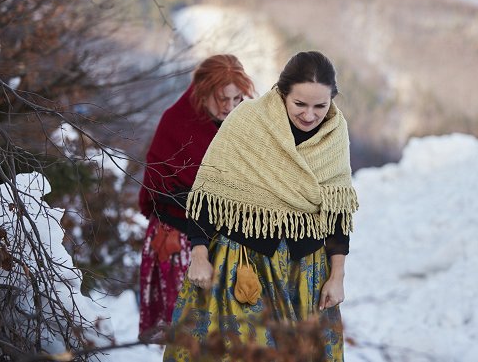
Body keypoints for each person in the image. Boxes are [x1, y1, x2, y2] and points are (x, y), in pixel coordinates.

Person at [163, 51, 359, 361]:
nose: (309, 115)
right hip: (242, 263)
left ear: (332, 100)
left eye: (320, 106)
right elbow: (209, 194)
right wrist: (199, 253)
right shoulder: (248, 121)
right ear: (283, 94)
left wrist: (337, 277)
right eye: (300, 104)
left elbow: (336, 213)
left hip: (303, 273)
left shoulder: (334, 134)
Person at [138, 54, 256, 340]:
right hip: (178, 236)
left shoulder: (243, 125)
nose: (229, 108)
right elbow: (157, 188)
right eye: (221, 99)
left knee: (226, 337)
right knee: (187, 335)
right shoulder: (177, 121)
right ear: (203, 92)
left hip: (225, 239)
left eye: (237, 99)